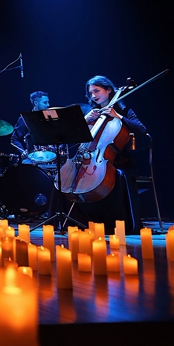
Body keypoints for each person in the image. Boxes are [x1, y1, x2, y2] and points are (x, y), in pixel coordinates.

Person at [61, 75, 146, 232]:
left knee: (116, 177)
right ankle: (78, 221)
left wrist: (118, 116)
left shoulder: (124, 110)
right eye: (91, 93)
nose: (93, 95)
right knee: (63, 180)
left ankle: (111, 224)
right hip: (90, 158)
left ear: (108, 90)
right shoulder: (93, 113)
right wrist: (85, 120)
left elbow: (141, 129)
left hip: (117, 160)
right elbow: (71, 136)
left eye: (97, 91)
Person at [11, 91, 55, 163]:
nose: (48, 105)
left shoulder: (51, 117)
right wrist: (23, 151)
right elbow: (14, 139)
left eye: (48, 102)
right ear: (36, 103)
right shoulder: (25, 118)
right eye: (45, 102)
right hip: (31, 158)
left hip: (51, 156)